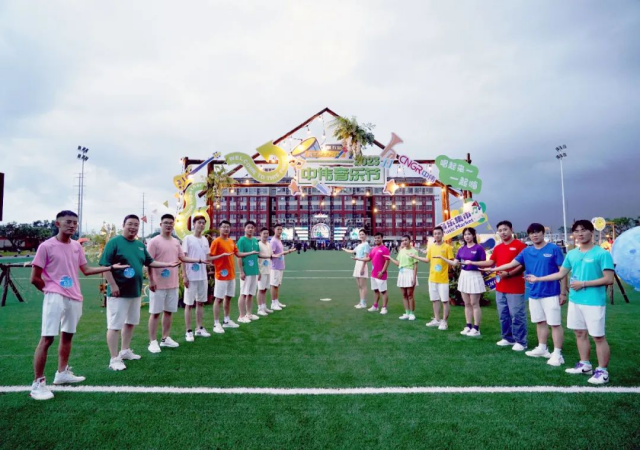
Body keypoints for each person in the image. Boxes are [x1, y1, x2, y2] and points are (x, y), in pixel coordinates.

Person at [29, 210, 129, 400]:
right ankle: (37, 383)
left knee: (68, 335)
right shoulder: (46, 246)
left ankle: (62, 373)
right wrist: (51, 291)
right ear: (57, 224)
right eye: (68, 222)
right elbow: (34, 278)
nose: (72, 226)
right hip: (55, 297)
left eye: (75, 223)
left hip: (74, 297)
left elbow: (86, 270)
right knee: (47, 339)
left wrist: (111, 267)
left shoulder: (76, 246)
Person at [527, 220, 614, 384]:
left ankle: (602, 371)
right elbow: (561, 274)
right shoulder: (572, 254)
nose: (580, 234)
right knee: (579, 333)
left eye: (584, 230)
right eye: (577, 231)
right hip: (575, 300)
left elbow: (609, 279)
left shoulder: (602, 254)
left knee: (598, 337)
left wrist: (584, 284)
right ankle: (585, 365)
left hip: (594, 302)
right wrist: (538, 279)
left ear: (591, 232)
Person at [100, 214, 179, 371]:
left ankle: (125, 350)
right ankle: (114, 358)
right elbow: (105, 265)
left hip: (135, 292)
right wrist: (113, 285)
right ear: (123, 225)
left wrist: (168, 264)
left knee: (130, 323)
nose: (133, 227)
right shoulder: (114, 242)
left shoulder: (139, 245)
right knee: (115, 325)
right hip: (119, 293)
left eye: (136, 225)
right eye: (130, 224)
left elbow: (150, 262)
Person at [488, 223, 567, 365]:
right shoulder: (527, 251)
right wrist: (493, 269)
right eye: (531, 233)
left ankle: (557, 353)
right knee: (540, 322)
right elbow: (511, 264)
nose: (534, 235)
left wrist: (563, 293)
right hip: (534, 292)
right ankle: (542, 348)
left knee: (555, 323)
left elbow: (563, 272)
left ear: (543, 233)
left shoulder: (554, 249)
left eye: (537, 232)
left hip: (551, 292)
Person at [146, 214, 207, 353]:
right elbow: (148, 262)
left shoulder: (175, 242)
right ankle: (152, 341)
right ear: (161, 224)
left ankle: (165, 338)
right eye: (166, 223)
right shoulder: (154, 242)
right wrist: (151, 280)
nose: (169, 225)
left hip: (172, 283)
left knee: (169, 312)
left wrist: (198, 260)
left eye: (171, 223)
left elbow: (183, 258)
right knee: (155, 313)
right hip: (158, 284)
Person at [471, 221, 528, 350]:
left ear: (511, 229)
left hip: (515, 287)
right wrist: (473, 263)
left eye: (505, 229)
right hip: (500, 287)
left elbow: (523, 265)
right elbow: (491, 262)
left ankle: (521, 341)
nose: (503, 232)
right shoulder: (498, 248)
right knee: (503, 315)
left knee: (517, 315)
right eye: (500, 230)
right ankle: (507, 338)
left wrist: (509, 274)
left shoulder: (520, 246)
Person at [437, 227, 486, 337]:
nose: (467, 236)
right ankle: (468, 325)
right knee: (467, 303)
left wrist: (472, 263)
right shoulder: (461, 249)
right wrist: (442, 258)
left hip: (475, 276)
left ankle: (476, 328)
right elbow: (454, 263)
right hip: (464, 276)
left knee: (474, 303)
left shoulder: (479, 248)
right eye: (465, 234)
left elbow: (484, 263)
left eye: (469, 234)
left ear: (474, 235)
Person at [209, 220, 256, 334]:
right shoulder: (216, 242)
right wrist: (221, 256)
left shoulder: (231, 241)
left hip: (231, 275)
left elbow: (238, 254)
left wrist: (250, 253)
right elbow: (209, 258)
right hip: (221, 275)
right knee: (218, 299)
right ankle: (216, 323)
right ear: (219, 229)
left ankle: (226, 320)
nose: (226, 229)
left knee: (228, 298)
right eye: (224, 227)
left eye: (228, 227)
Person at [412, 226, 454, 330]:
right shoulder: (431, 247)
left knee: (445, 301)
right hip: (432, 278)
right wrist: (415, 257)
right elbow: (427, 260)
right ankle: (437, 319)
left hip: (443, 279)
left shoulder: (447, 247)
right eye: (435, 234)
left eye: (439, 233)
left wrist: (447, 271)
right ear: (433, 235)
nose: (437, 235)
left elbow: (451, 262)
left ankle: (444, 322)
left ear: (442, 234)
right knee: (435, 300)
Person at [182, 215, 213, 342]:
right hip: (191, 276)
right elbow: (183, 258)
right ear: (193, 224)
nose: (201, 225)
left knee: (200, 303)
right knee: (189, 304)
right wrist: (184, 275)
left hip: (202, 276)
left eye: (203, 223)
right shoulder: (188, 238)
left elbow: (208, 258)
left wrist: (221, 256)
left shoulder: (205, 240)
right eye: (199, 222)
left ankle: (199, 328)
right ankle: (188, 331)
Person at [385, 235, 419, 321]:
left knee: (410, 295)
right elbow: (398, 264)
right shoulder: (401, 251)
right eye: (403, 240)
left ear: (410, 240)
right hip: (401, 273)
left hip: (410, 273)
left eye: (406, 240)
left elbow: (415, 266)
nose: (404, 242)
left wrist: (414, 278)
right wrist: (390, 258)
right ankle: (407, 313)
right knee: (404, 295)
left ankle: (412, 313)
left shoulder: (414, 251)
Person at [237, 220, 261, 323]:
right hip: (246, 271)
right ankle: (241, 316)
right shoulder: (241, 240)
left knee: (251, 294)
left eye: (252, 227)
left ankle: (249, 314)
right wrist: (241, 271)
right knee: (243, 293)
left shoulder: (255, 240)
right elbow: (238, 256)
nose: (250, 229)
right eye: (248, 227)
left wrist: (258, 271)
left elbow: (257, 256)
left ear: (254, 229)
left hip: (254, 271)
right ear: (245, 228)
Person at [342, 229, 372, 309]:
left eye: (362, 234)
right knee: (359, 286)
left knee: (363, 285)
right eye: (360, 234)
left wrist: (362, 268)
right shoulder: (359, 245)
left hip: (362, 264)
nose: (361, 236)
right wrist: (345, 249)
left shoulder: (366, 244)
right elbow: (352, 251)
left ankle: (363, 303)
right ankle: (361, 301)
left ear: (366, 235)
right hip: (357, 264)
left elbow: (366, 257)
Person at [269, 224, 296, 311]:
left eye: (281, 229)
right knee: (274, 285)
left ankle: (276, 301)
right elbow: (271, 255)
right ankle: (273, 303)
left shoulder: (278, 240)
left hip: (280, 266)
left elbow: (280, 253)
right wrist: (282, 253)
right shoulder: (273, 241)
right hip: (275, 266)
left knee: (277, 285)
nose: (280, 231)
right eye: (278, 229)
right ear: (274, 230)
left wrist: (289, 251)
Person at [367, 232, 390, 314]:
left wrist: (382, 272)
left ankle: (384, 308)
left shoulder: (385, 249)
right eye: (375, 238)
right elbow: (369, 258)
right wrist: (358, 259)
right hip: (373, 274)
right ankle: (375, 306)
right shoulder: (373, 249)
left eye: (378, 238)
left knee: (383, 291)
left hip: (381, 274)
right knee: (376, 290)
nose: (376, 239)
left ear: (382, 238)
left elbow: (387, 261)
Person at [257, 227, 274, 316]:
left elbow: (271, 256)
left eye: (267, 233)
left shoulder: (268, 244)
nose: (266, 235)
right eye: (264, 233)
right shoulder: (258, 244)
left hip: (268, 269)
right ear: (260, 234)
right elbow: (256, 257)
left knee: (265, 289)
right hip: (261, 270)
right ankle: (259, 308)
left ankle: (264, 307)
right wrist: (258, 271)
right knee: (260, 289)